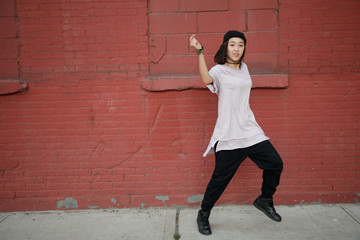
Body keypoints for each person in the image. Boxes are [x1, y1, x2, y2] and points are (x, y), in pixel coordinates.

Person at [189, 31, 284, 235]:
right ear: (225, 47)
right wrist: (199, 52)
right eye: (232, 44)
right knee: (220, 180)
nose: (236, 48)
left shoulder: (244, 68)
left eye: (240, 45)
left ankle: (265, 199)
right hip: (229, 133)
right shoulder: (219, 71)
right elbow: (206, 78)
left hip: (249, 129)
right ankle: (203, 213)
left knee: (275, 163)